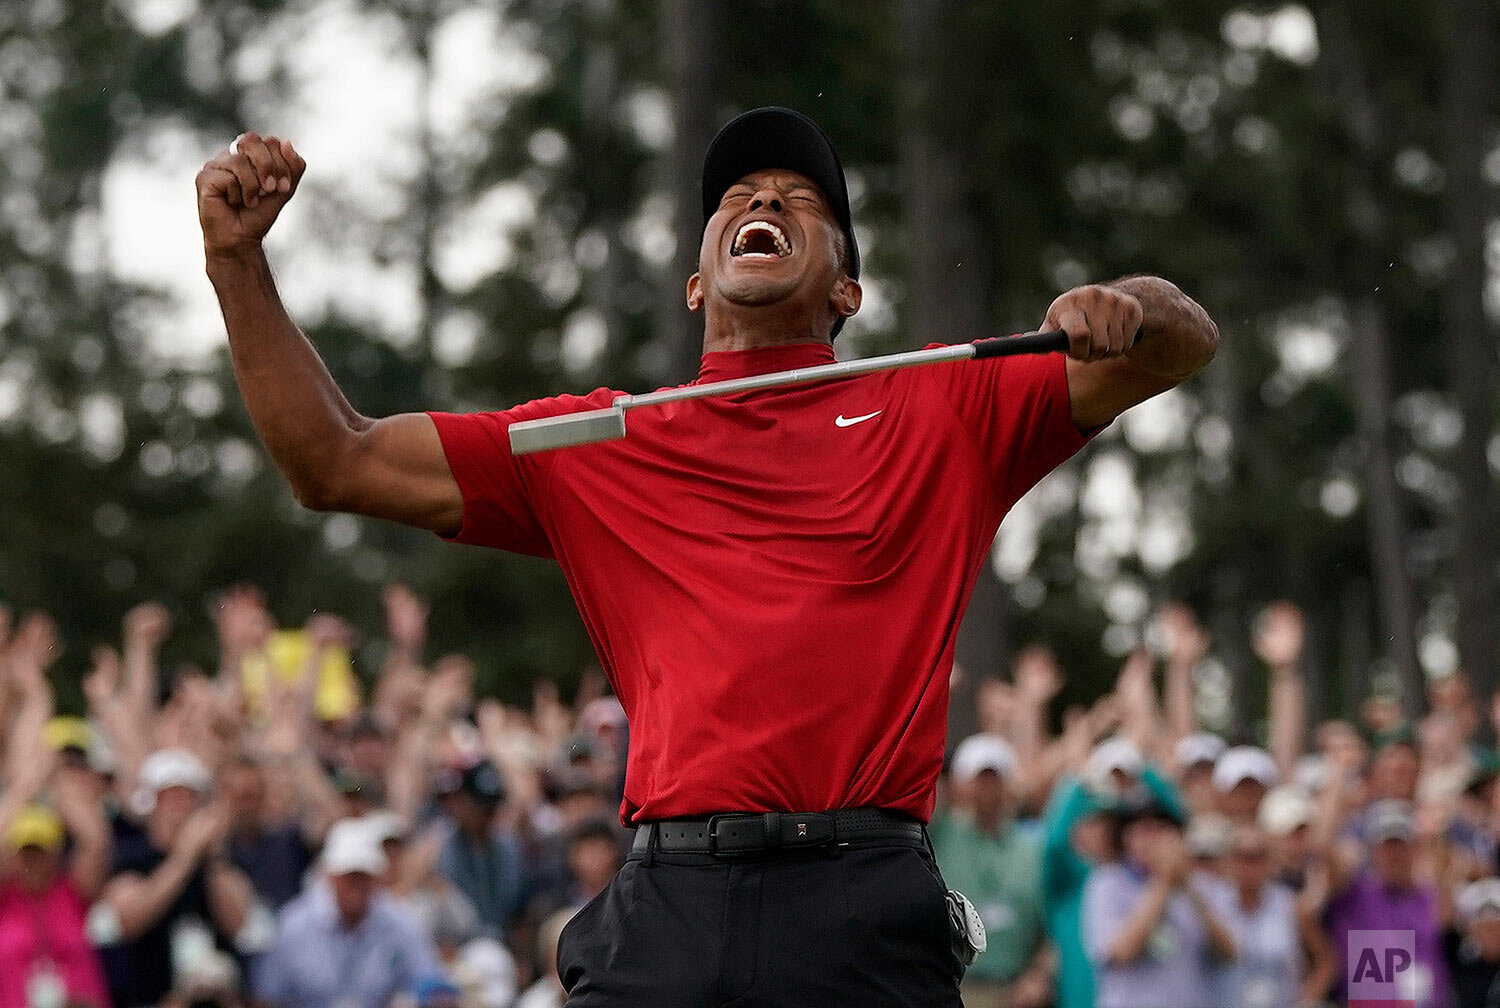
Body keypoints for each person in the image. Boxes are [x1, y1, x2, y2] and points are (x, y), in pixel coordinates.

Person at [196, 105, 1218, 1006]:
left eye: (798, 199)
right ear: (696, 281)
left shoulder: (944, 406)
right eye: (736, 193)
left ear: (848, 292)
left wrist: (1126, 307)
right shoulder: (597, 442)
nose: (762, 199)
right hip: (667, 908)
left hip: (859, 906)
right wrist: (237, 266)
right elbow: (336, 460)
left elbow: (1184, 345)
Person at [253, 818, 441, 1008]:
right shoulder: (293, 926)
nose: (356, 885)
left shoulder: (400, 922)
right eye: (349, 876)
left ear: (377, 877)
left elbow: (430, 981)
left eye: (363, 876)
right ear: (330, 875)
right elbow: (268, 996)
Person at [930, 734, 1050, 1008]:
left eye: (994, 778)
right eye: (978, 779)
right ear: (959, 784)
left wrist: (1039, 975)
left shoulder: (1032, 846)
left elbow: (1053, 920)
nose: (987, 788)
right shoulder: (940, 833)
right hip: (954, 991)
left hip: (1017, 993)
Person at [1082, 795, 1237, 1008]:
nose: (1149, 840)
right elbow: (1121, 952)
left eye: (1158, 830)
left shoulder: (1204, 885)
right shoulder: (1107, 884)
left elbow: (1231, 953)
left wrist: (1188, 888)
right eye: (1140, 831)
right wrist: (1163, 882)